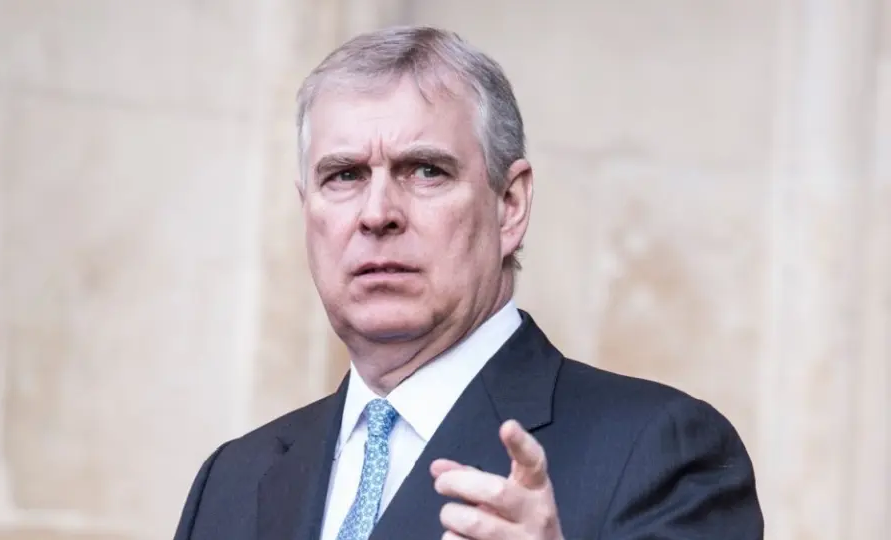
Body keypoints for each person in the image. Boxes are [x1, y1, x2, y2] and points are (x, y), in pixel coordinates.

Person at [172, 26, 763, 540]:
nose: (377, 213)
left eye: (425, 170)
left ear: (510, 204)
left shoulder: (662, 453)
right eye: (344, 175)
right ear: (308, 211)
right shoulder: (232, 479)